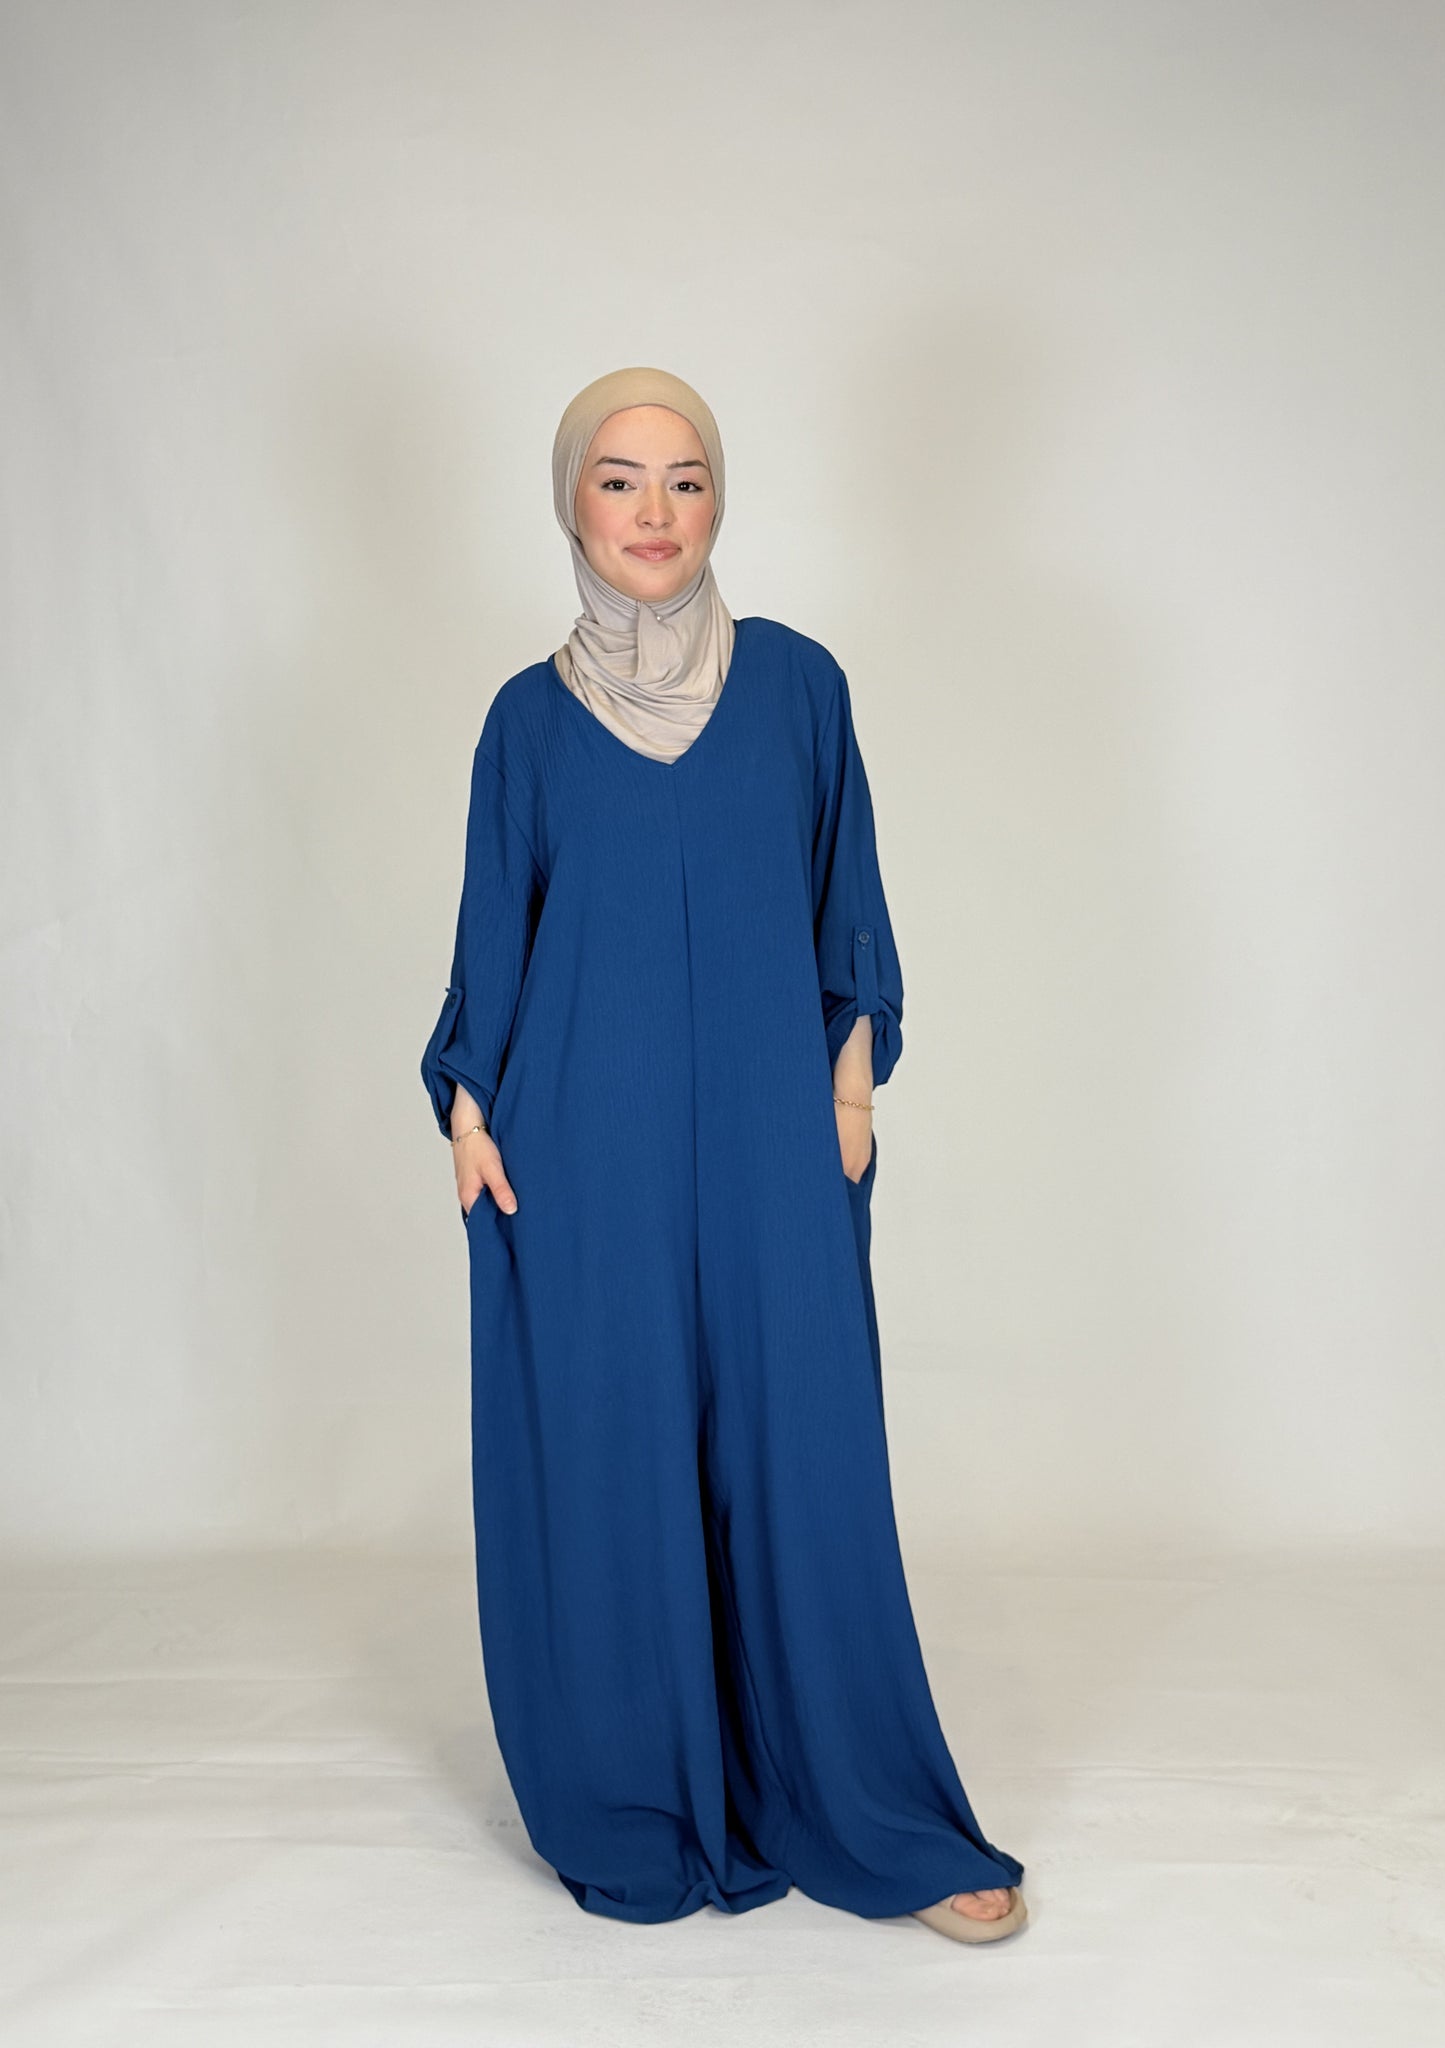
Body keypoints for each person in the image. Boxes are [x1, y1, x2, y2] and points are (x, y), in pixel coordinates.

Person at [420, 365, 1028, 1944]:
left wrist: (850, 1097)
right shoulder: (526, 723)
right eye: (619, 479)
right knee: (613, 1457)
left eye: (685, 479)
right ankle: (641, 1795)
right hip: (583, 1148)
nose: (654, 511)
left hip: (773, 1140)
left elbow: (847, 902)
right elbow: (495, 937)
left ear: (719, 503)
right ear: (571, 504)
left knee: (801, 1454)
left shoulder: (801, 689)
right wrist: (470, 1108)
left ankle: (868, 1808)